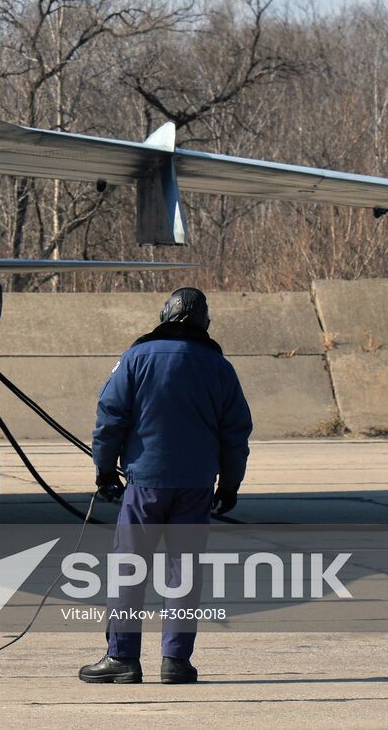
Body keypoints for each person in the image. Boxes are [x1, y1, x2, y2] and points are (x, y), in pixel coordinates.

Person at [78, 287, 252, 685]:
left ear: (165, 314)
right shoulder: (219, 366)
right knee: (184, 572)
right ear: (203, 322)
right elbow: (236, 432)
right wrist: (230, 484)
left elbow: (110, 419)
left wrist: (104, 471)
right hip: (195, 486)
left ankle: (122, 658)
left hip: (145, 484)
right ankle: (175, 661)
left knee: (129, 569)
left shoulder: (136, 358)